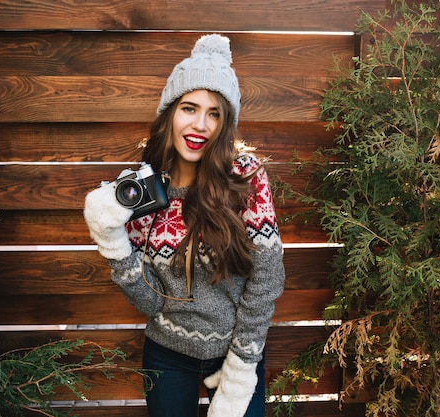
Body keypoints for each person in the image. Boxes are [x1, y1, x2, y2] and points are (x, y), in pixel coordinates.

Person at [84, 34, 285, 417]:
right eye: (189, 108)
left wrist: (240, 368)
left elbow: (267, 278)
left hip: (236, 351)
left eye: (214, 113)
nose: (200, 125)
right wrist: (112, 240)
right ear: (169, 114)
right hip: (166, 355)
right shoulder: (143, 191)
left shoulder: (245, 178)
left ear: (226, 124)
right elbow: (152, 301)